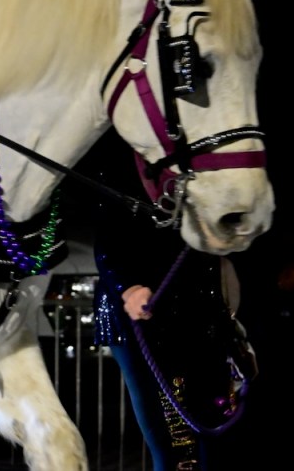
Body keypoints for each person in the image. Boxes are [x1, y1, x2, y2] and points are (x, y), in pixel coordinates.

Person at [87, 138, 257, 470]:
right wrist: (128, 287)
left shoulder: (201, 166)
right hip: (136, 316)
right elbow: (107, 238)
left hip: (197, 306)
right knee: (166, 434)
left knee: (212, 419)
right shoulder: (121, 164)